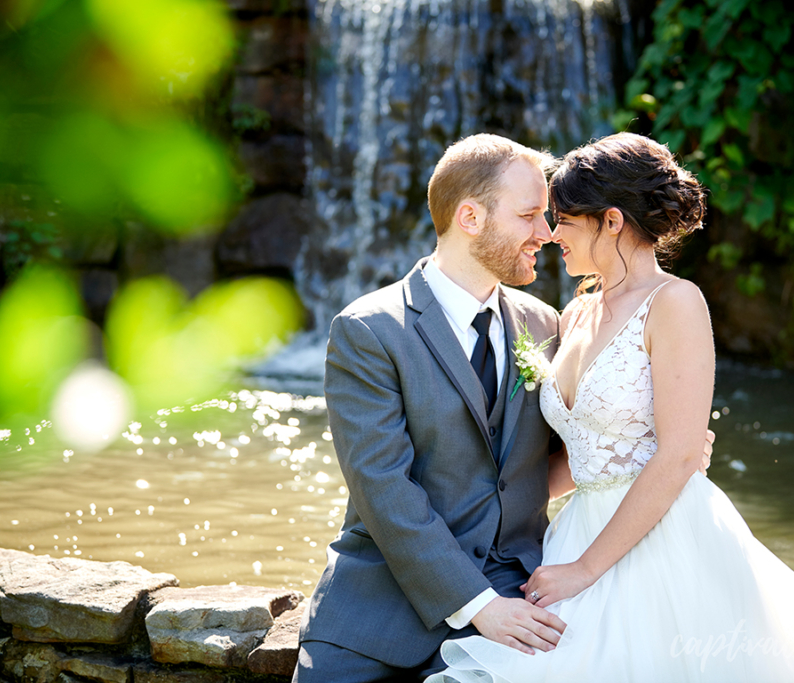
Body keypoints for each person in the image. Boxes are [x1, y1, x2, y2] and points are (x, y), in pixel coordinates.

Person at [427, 133, 794, 682]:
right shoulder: (573, 315)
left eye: (563, 218)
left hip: (663, 540)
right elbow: (578, 456)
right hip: (576, 532)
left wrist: (584, 572)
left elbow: (678, 455)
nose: (550, 232)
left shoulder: (675, 303)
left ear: (610, 221)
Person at [294, 132, 717, 682]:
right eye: (530, 215)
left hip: (526, 595)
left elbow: (563, 457)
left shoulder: (545, 323)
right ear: (470, 218)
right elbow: (383, 490)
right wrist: (478, 606)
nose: (546, 233)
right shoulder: (369, 331)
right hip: (384, 606)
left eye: (552, 217)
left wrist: (665, 452)